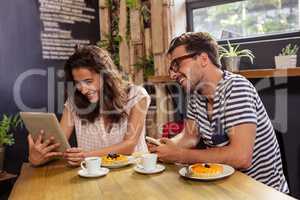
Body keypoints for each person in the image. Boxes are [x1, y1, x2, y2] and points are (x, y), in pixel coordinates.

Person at [149, 32, 289, 193]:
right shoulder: (196, 95)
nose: (172, 74)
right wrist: (165, 147)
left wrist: (179, 155)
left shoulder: (236, 88)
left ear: (203, 59)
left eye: (177, 64)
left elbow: (241, 157)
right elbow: (189, 136)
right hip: (225, 188)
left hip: (260, 192)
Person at [28, 45, 150, 166]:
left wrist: (85, 156)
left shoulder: (136, 95)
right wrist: (36, 157)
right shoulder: (73, 102)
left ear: (106, 76)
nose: (83, 89)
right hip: (92, 178)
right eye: (77, 83)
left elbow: (129, 144)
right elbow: (57, 147)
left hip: (134, 175)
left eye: (88, 81)